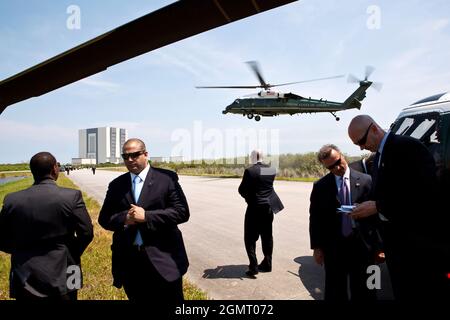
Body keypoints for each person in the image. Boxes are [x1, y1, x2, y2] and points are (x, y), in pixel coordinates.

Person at [348, 114, 448, 300]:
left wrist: (378, 205)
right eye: (357, 145)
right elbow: (389, 192)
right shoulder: (379, 157)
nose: (361, 147)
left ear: (375, 129)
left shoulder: (408, 147)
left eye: (361, 141)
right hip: (397, 246)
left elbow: (425, 193)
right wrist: (365, 206)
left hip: (419, 248)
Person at [98, 138, 190, 303]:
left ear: (146, 154)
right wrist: (125, 218)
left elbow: (181, 212)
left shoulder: (166, 179)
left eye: (135, 155)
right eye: (126, 156)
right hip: (130, 262)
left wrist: (147, 216)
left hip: (163, 259)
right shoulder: (116, 185)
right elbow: (104, 219)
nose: (130, 160)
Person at [0, 152, 93, 300]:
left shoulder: (12, 200)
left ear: (32, 171)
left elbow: (2, 238)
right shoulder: (72, 196)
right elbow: (87, 233)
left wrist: (20, 250)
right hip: (67, 267)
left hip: (24, 271)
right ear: (54, 169)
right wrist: (70, 252)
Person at [309, 144, 377, 301]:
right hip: (334, 248)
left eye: (338, 161)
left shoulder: (367, 180)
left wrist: (379, 246)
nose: (337, 167)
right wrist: (317, 247)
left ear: (342, 155)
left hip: (363, 246)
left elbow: (376, 218)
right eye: (331, 167)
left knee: (368, 288)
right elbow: (316, 218)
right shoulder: (320, 186)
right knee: (335, 290)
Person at [238, 150, 284, 277]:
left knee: (249, 238)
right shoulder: (270, 169)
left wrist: (249, 198)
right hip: (268, 207)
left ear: (252, 157)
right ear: (262, 157)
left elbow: (242, 190)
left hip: (254, 208)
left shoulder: (250, 171)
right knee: (267, 236)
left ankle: (253, 266)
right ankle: (268, 263)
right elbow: (267, 187)